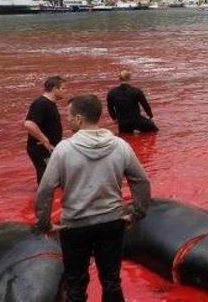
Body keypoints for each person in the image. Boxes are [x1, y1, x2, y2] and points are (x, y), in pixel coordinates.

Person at [35, 94, 151, 302]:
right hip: (112, 222)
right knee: (112, 281)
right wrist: (136, 213)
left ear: (79, 119)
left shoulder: (63, 149)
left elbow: (45, 191)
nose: (67, 119)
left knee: (76, 284)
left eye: (69, 115)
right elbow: (141, 181)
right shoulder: (120, 146)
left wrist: (44, 224)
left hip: (75, 226)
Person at [24, 75, 66, 185]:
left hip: (47, 148)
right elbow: (29, 124)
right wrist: (45, 141)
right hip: (40, 149)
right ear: (54, 89)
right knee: (46, 180)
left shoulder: (50, 103)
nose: (65, 91)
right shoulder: (41, 103)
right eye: (63, 88)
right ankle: (41, 200)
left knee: (52, 178)